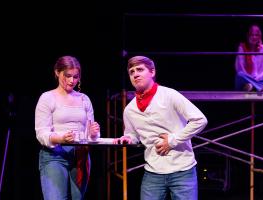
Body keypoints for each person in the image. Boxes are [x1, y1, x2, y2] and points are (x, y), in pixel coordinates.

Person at [113, 56, 208, 200]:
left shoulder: (169, 95)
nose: (135, 74)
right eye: (131, 72)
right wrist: (128, 138)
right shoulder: (129, 109)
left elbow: (200, 120)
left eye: (140, 69)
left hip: (182, 170)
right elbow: (133, 135)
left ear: (152, 72)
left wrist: (172, 140)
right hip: (153, 172)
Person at [35, 55, 100, 200]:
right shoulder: (47, 98)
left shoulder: (84, 99)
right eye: (68, 76)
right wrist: (61, 138)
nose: (72, 81)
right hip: (55, 155)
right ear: (57, 72)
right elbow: (41, 133)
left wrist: (93, 133)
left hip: (80, 155)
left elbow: (90, 135)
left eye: (76, 77)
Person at [235, 24, 263, 92]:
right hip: (246, 79)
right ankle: (261, 88)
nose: (254, 37)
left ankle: (251, 86)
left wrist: (257, 79)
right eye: (251, 35)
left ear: (259, 37)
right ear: (248, 36)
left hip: (261, 79)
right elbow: (240, 68)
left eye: (256, 35)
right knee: (240, 75)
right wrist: (250, 78)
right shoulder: (242, 48)